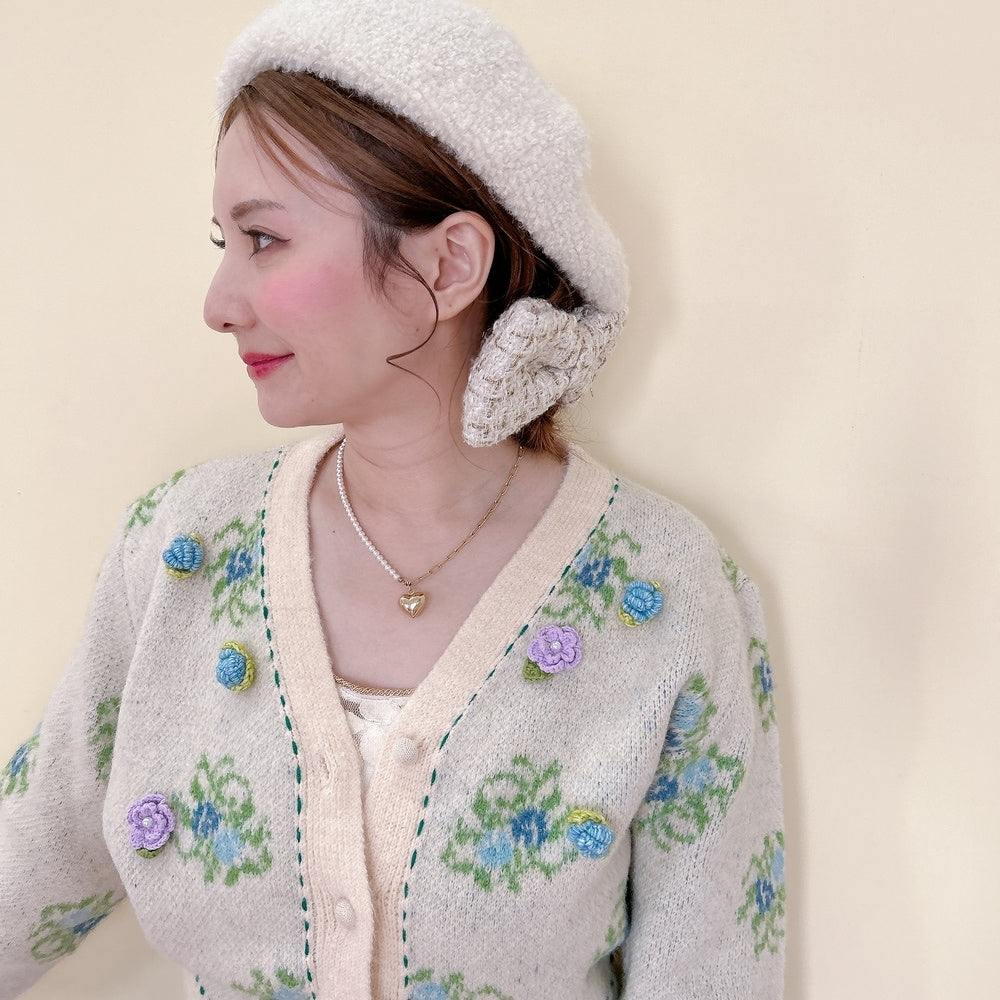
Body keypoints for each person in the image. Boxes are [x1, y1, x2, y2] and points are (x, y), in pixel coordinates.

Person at [0, 0, 785, 997]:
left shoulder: (664, 591)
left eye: (264, 239)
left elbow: (711, 971)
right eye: (223, 241)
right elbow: (33, 864)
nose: (218, 303)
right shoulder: (179, 553)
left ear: (446, 265)